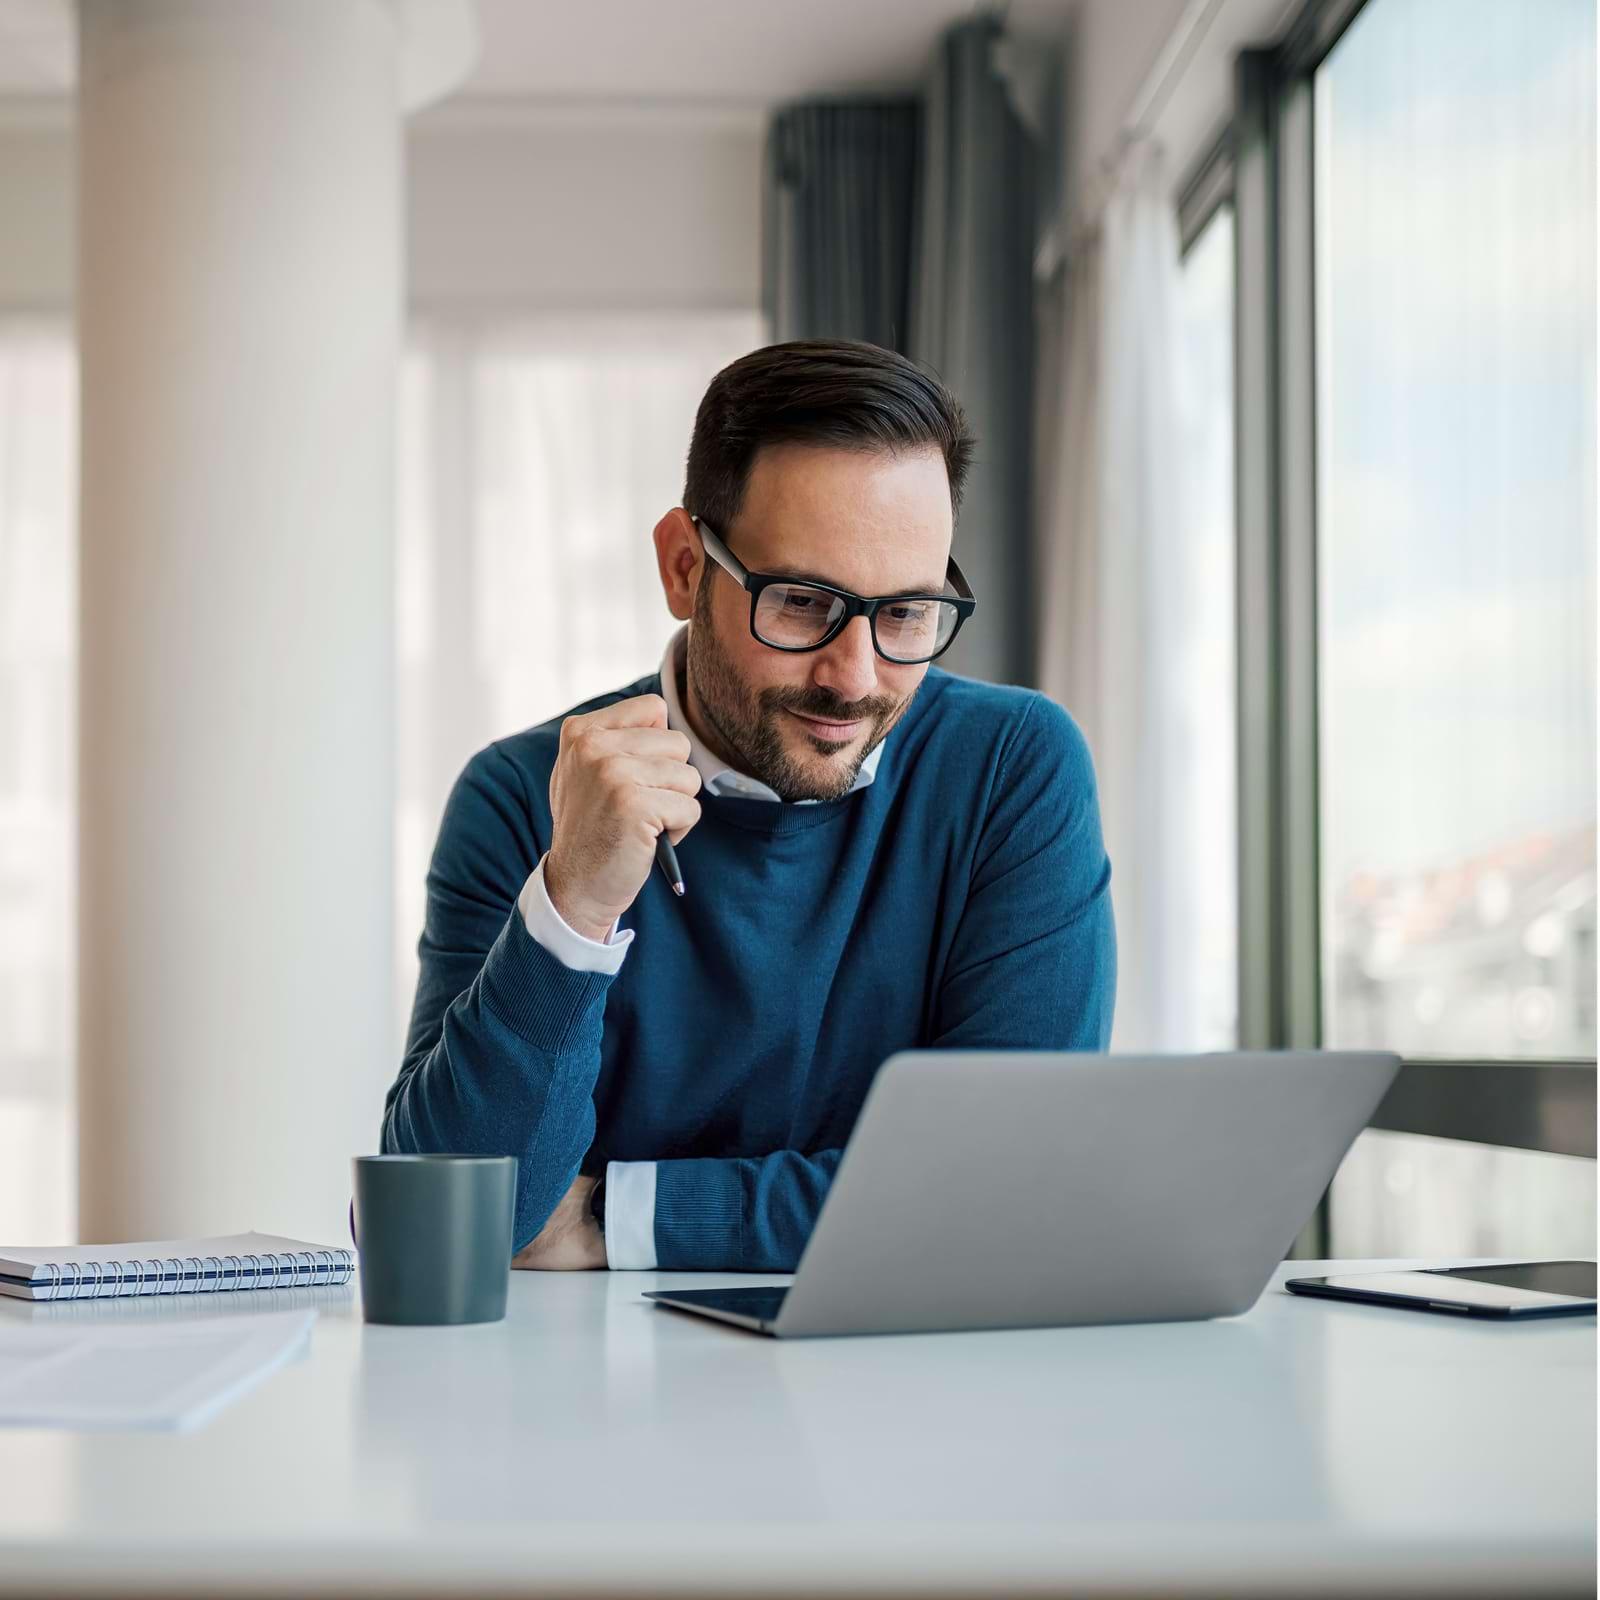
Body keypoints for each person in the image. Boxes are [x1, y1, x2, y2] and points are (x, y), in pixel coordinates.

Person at [382, 338, 1116, 1272]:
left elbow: (1013, 1190)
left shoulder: (1013, 768)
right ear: (686, 567)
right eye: (804, 602)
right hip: (586, 1406)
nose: (855, 679)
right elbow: (441, 1223)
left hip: (915, 1394)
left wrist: (619, 1217)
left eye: (907, 614)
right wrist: (573, 907)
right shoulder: (523, 795)